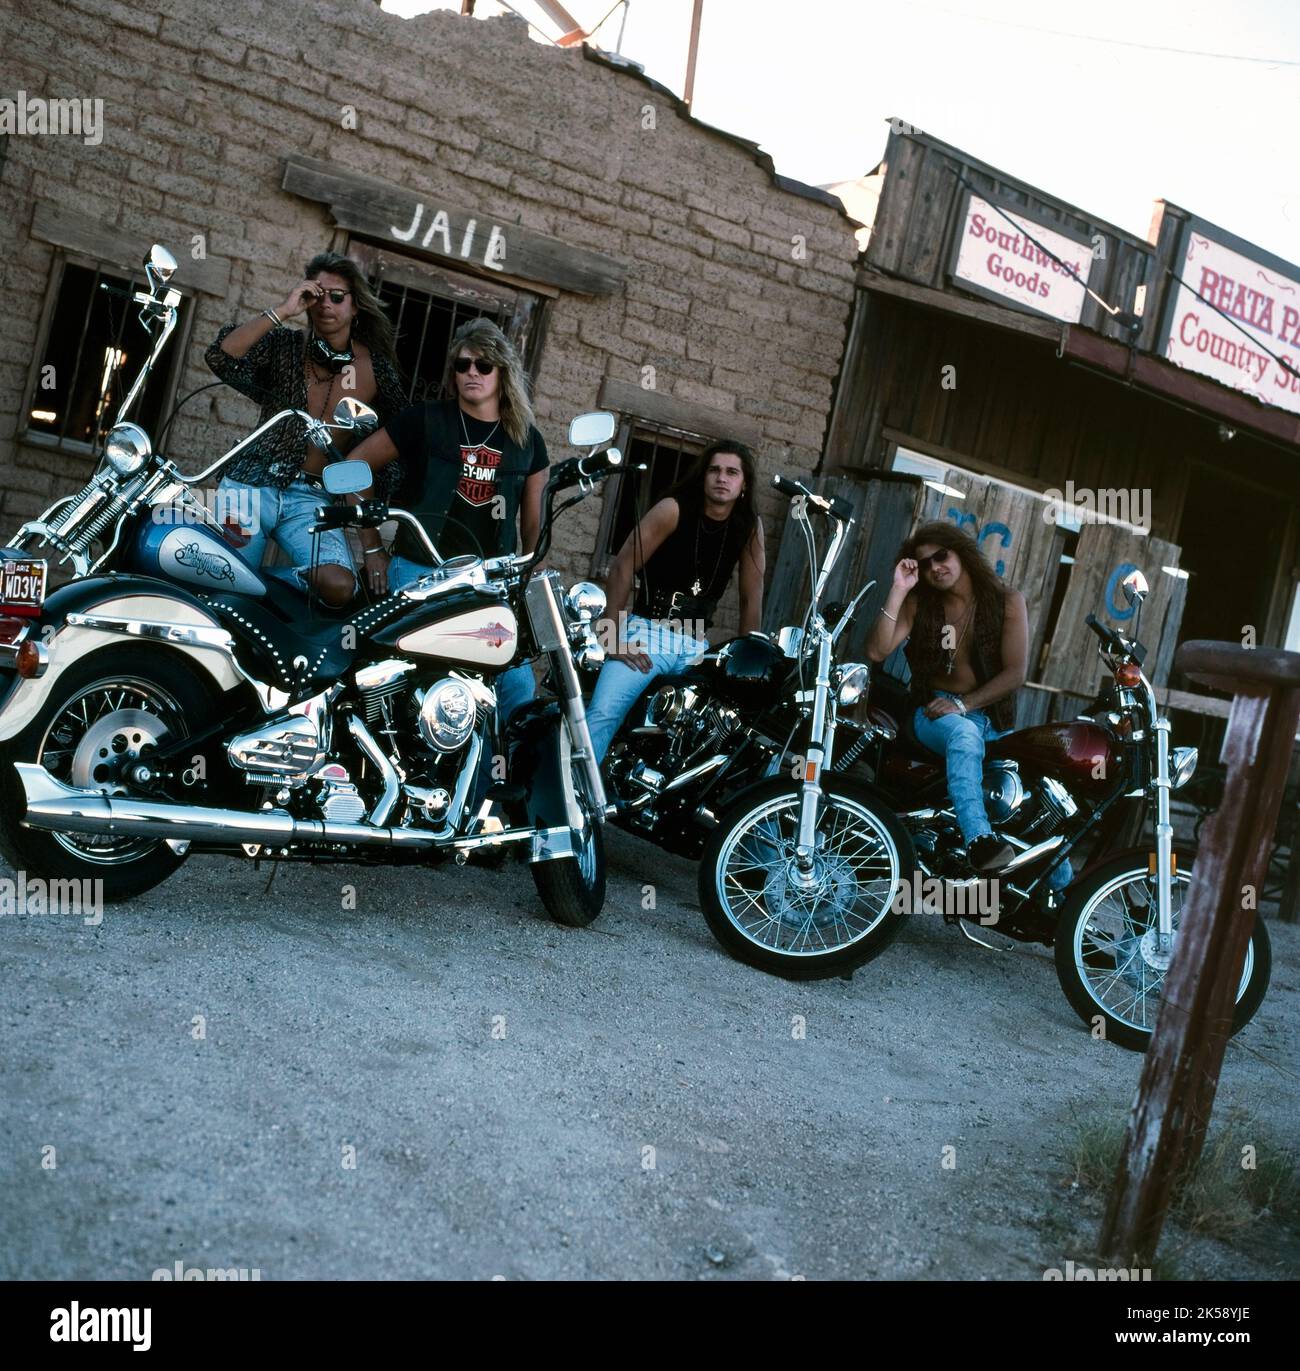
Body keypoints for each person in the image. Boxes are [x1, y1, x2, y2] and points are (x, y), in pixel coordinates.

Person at [346, 317, 549, 728]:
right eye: (462, 364)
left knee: (516, 689)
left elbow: (534, 527)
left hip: (486, 582)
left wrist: (527, 579)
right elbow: (355, 466)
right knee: (407, 676)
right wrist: (371, 548)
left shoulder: (527, 440)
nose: (471, 372)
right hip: (419, 571)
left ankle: (497, 779)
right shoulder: (426, 419)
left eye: (483, 365)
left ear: (501, 372)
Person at [866, 521, 1070, 887]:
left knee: (1025, 801)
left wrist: (965, 703)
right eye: (924, 563)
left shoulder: (1006, 601)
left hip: (990, 717)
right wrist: (898, 591)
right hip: (934, 713)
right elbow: (877, 650)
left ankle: (1069, 906)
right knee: (963, 736)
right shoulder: (918, 604)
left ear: (961, 552)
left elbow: (1015, 673)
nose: (934, 568)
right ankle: (979, 841)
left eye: (941, 556)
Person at [204, 252, 406, 607]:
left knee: (340, 586)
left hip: (312, 499)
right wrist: (283, 310)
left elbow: (393, 443)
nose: (326, 304)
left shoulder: (375, 369)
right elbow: (221, 356)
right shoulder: (284, 345)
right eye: (316, 295)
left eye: (337, 296)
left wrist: (373, 545)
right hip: (252, 483)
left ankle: (259, 589)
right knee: (221, 588)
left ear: (355, 306)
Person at [585, 441, 766, 764]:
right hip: (648, 632)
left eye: (731, 472)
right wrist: (610, 638)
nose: (722, 478)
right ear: (703, 476)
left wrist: (748, 662)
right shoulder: (674, 508)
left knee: (712, 733)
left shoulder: (748, 527)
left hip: (697, 643)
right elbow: (623, 564)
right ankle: (573, 803)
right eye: (714, 470)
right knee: (601, 715)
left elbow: (751, 597)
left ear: (744, 484)